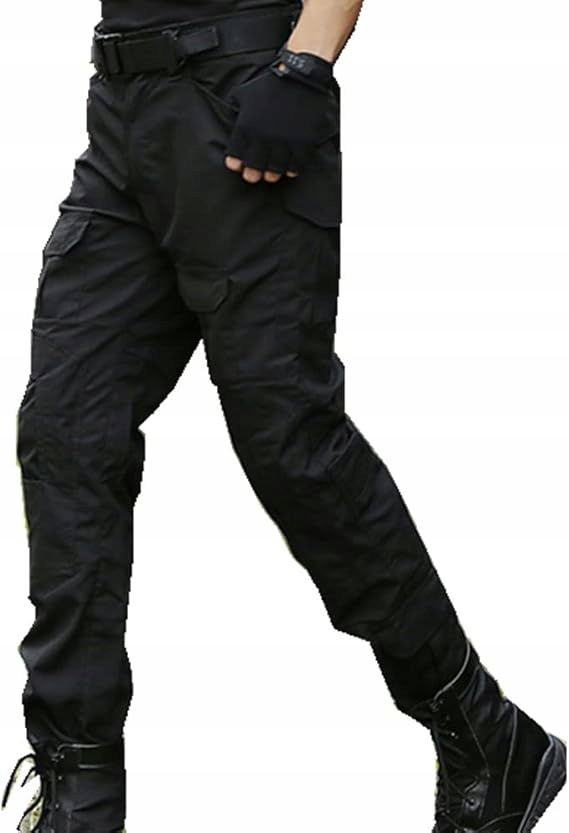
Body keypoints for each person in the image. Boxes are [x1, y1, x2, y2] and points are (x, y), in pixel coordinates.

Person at [1, 0, 566, 831]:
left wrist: (305, 64)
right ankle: (77, 789)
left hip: (239, 96)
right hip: (123, 111)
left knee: (289, 443)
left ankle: (483, 732)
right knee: (66, 432)